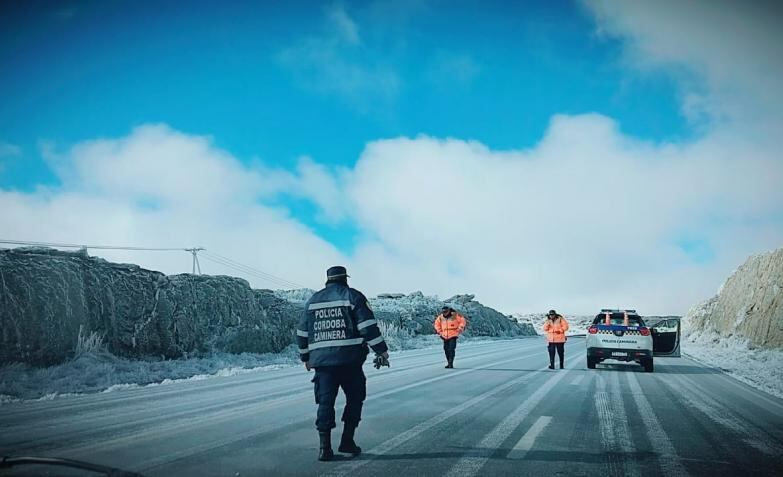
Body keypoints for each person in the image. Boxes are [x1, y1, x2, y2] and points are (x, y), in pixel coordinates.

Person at [296, 266, 389, 462]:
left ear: (327, 280)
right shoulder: (353, 296)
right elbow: (367, 327)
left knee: (325, 403)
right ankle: (347, 441)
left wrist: (305, 357)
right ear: (345, 279)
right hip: (350, 362)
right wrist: (381, 350)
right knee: (355, 399)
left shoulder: (312, 301)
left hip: (323, 364)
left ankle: (325, 448)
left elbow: (302, 333)